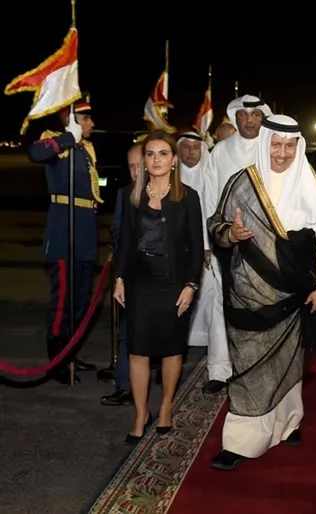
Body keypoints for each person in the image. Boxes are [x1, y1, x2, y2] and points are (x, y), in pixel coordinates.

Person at [208, 115, 316, 471]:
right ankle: (240, 441)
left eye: (290, 145)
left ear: (298, 146)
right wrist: (231, 234)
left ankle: (288, 422)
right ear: (265, 144)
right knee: (249, 366)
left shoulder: (313, 182)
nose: (282, 153)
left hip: (295, 293)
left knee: (288, 362)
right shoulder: (242, 181)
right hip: (248, 290)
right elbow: (216, 224)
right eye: (276, 145)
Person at [113, 131, 204, 444]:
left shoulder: (188, 197)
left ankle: (165, 406)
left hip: (174, 285)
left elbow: (196, 245)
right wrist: (119, 278)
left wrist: (191, 285)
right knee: (137, 351)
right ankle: (141, 414)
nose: (156, 159)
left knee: (170, 350)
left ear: (174, 160)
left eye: (163, 153)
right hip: (139, 284)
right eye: (150, 154)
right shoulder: (133, 195)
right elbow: (125, 242)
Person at [200, 95, 273, 395]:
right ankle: (219, 369)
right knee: (221, 302)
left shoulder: (272, 148)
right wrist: (207, 241)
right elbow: (208, 195)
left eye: (255, 115)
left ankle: (257, 365)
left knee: (261, 302)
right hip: (225, 239)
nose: (249, 120)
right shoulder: (220, 151)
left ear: (262, 118)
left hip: (264, 240)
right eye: (243, 115)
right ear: (235, 118)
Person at [27, 97, 101, 385]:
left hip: (85, 231)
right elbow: (35, 153)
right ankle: (56, 360)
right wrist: (68, 137)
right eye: (86, 118)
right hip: (64, 230)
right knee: (62, 301)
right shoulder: (57, 141)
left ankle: (70, 353)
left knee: (80, 301)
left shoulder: (86, 149)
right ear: (70, 119)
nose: (91, 123)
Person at [101, 143, 142, 406]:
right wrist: (119, 274)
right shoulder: (124, 194)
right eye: (131, 166)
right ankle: (124, 385)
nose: (135, 171)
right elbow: (117, 233)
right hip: (131, 274)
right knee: (127, 331)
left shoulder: (170, 192)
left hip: (160, 277)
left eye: (139, 165)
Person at [176, 130, 216, 349]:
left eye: (195, 148)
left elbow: (211, 211)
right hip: (176, 246)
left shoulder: (210, 175)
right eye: (186, 147)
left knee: (206, 291)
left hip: (205, 245)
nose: (191, 152)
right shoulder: (170, 174)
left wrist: (207, 244)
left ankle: (202, 337)